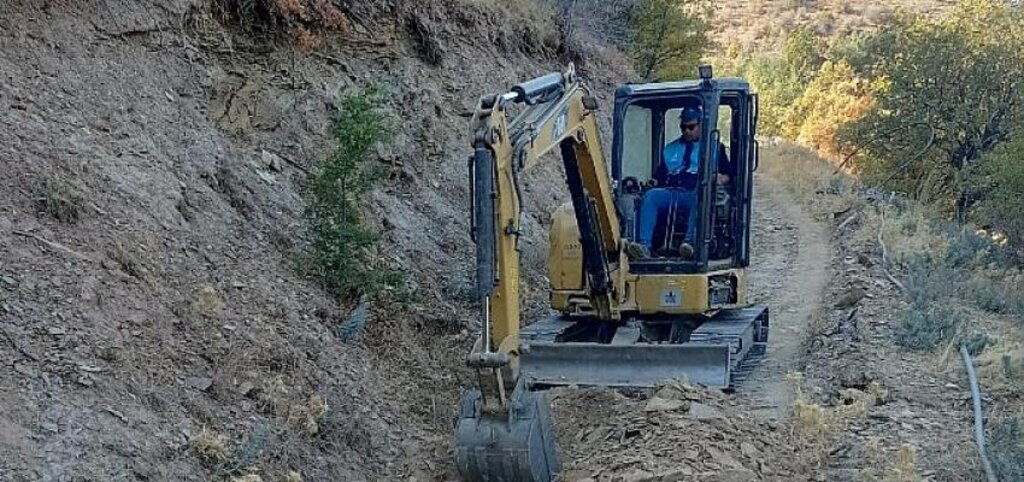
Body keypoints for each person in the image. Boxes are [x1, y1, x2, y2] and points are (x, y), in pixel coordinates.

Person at [626, 106, 735, 259]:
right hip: (671, 192)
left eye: (691, 127)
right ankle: (644, 246)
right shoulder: (671, 149)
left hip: (694, 194)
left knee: (701, 192)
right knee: (651, 196)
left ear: (701, 125)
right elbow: (661, 174)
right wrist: (654, 181)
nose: (687, 131)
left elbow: (729, 173)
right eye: (683, 127)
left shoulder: (715, 148)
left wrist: (721, 178)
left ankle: (689, 243)